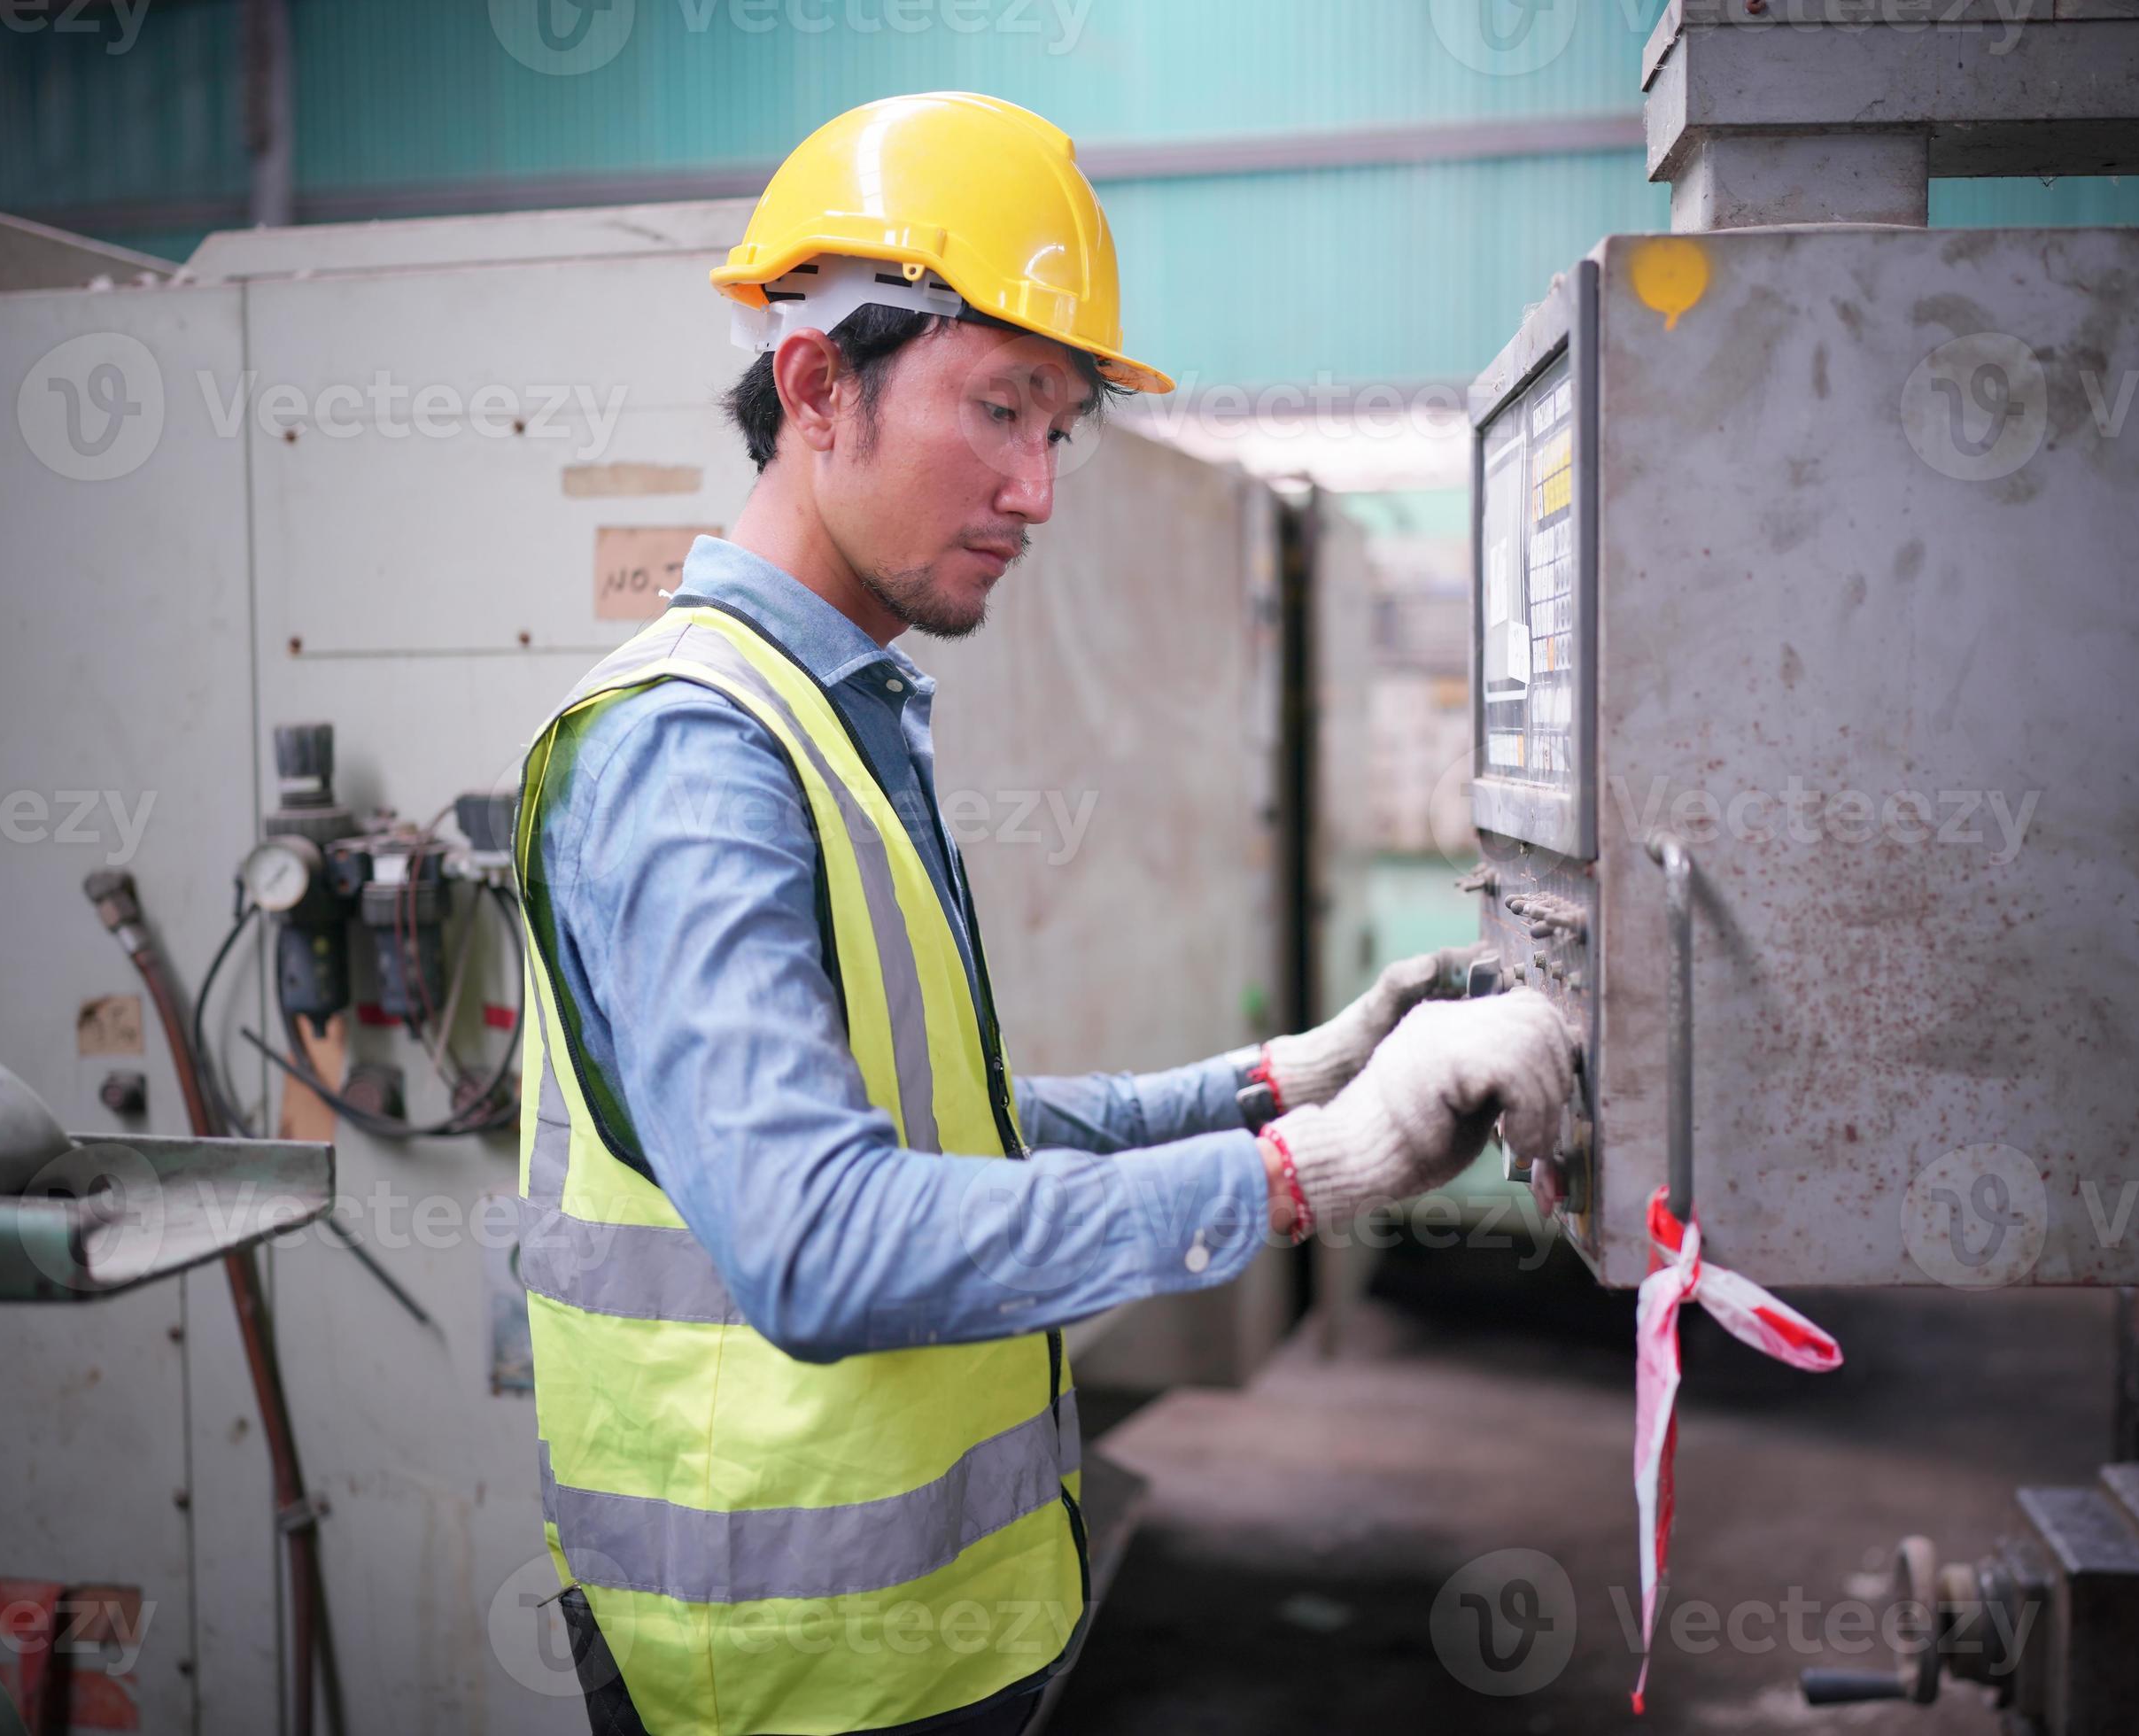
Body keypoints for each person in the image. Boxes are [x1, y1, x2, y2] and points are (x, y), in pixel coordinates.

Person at [508, 90, 1581, 1736]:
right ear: (816, 388)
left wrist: (1281, 1079)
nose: (1038, 487)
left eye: (1058, 427)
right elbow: (821, 1243)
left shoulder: (842, 710)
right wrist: (1325, 1169)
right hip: (785, 1687)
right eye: (1000, 409)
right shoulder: (694, 753)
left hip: (907, 1661)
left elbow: (949, 1137)